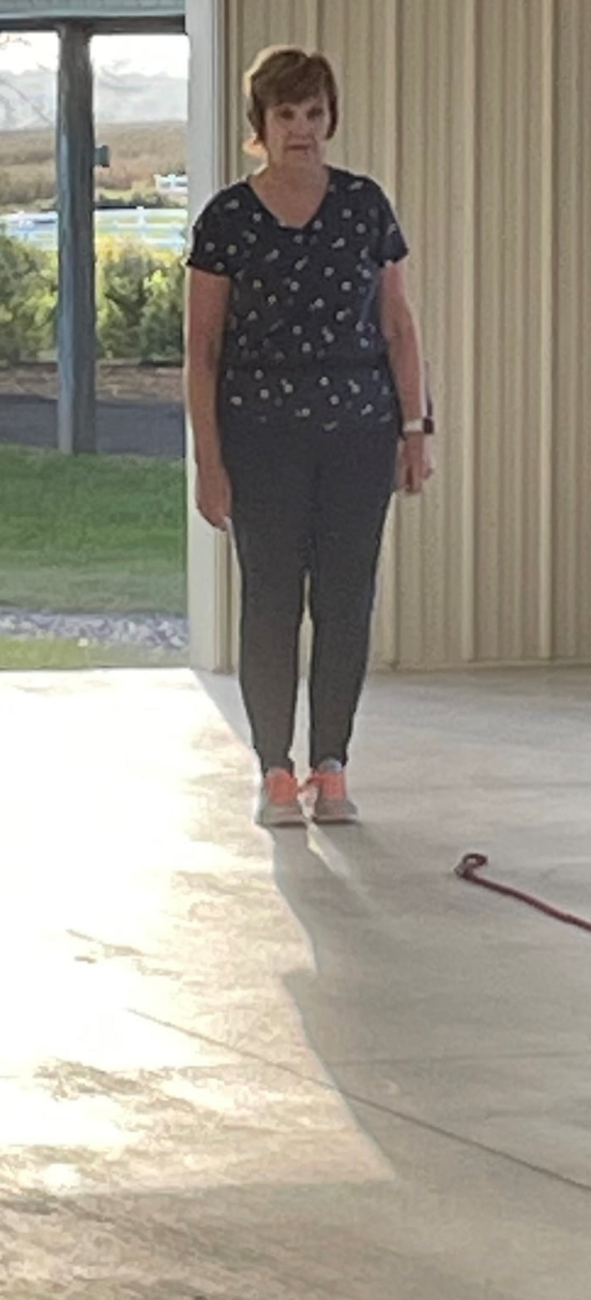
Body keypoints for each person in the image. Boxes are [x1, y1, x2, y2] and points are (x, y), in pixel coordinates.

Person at [184, 46, 432, 827]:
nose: (302, 128)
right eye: (286, 113)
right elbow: (202, 350)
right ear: (260, 123)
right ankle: (275, 770)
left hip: (359, 434)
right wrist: (209, 462)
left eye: (314, 113)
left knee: (346, 600)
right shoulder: (228, 218)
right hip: (260, 438)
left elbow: (398, 326)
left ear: (331, 118)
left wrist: (415, 429)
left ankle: (332, 764)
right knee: (270, 602)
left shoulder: (363, 206)